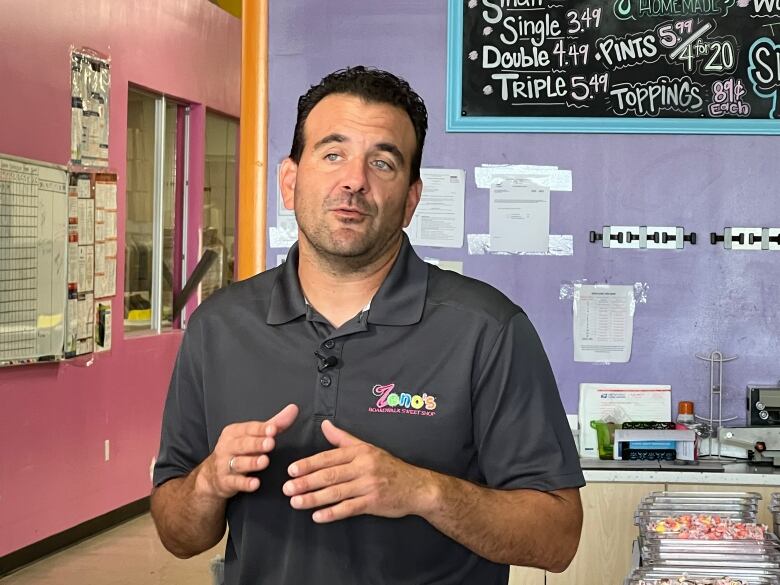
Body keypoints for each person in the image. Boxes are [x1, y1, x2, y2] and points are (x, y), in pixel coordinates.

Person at [151, 66, 584, 585]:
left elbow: (558, 539)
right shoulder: (218, 327)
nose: (354, 180)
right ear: (289, 181)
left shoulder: (488, 331)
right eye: (332, 154)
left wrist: (422, 491)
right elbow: (178, 535)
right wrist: (207, 484)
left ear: (411, 200)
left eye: (382, 162)